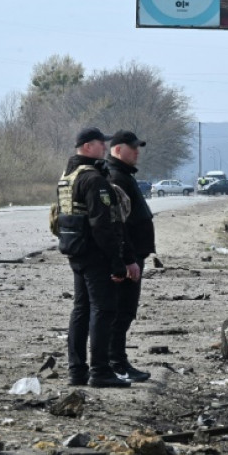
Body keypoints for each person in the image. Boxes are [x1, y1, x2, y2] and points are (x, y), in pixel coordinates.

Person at [59, 127, 139, 388]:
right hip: (95, 255)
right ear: (87, 146)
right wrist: (118, 262)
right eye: (100, 144)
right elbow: (104, 225)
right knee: (103, 310)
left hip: (75, 251)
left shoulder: (66, 177)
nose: (104, 148)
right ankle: (100, 371)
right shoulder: (93, 179)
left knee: (81, 310)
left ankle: (77, 371)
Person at [106, 130, 154, 383]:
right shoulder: (116, 177)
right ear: (117, 149)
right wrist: (127, 258)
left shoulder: (124, 175)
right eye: (132, 147)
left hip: (134, 254)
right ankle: (116, 363)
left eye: (138, 147)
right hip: (128, 257)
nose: (137, 152)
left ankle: (118, 361)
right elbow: (118, 223)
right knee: (121, 311)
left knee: (125, 311)